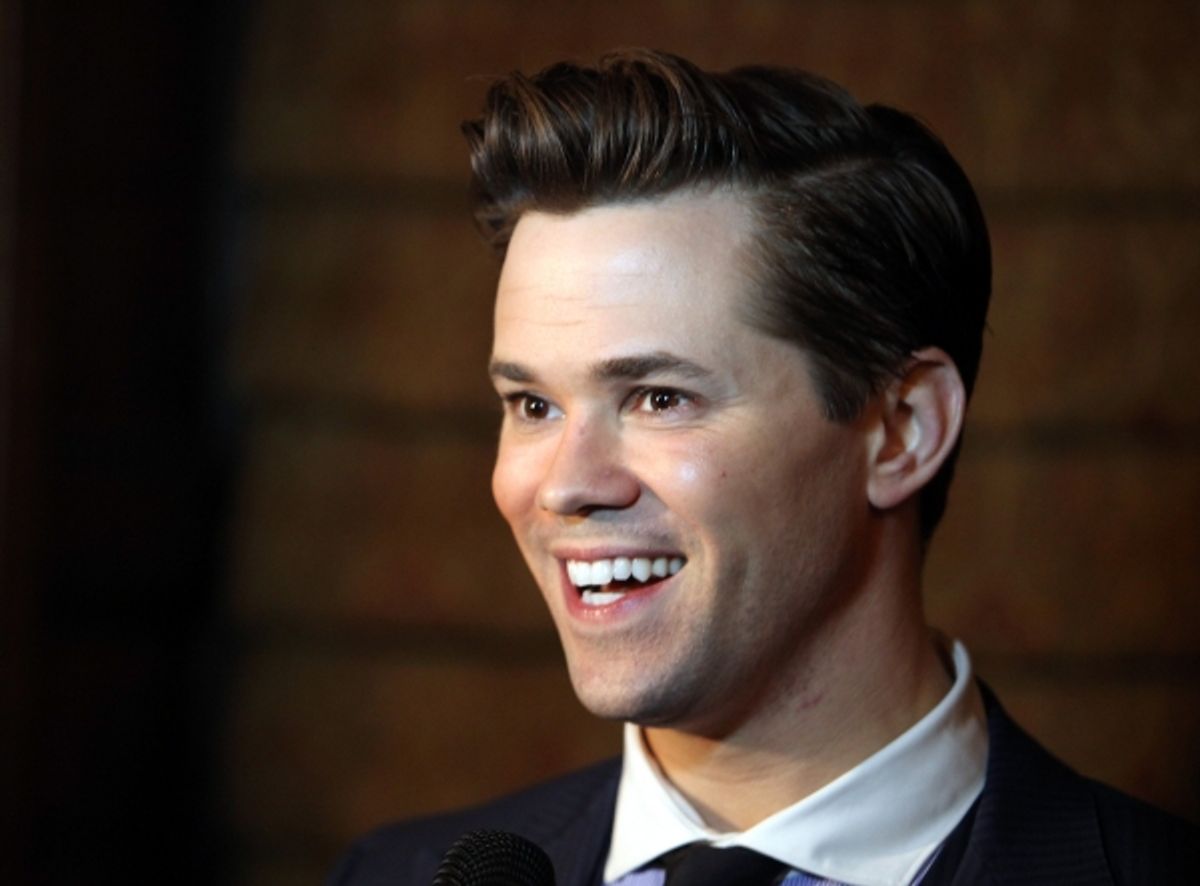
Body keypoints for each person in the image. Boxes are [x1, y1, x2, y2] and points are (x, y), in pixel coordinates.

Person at [329, 49, 1197, 885]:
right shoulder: (390, 875)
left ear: (902, 430)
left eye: (659, 398)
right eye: (533, 407)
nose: (562, 485)